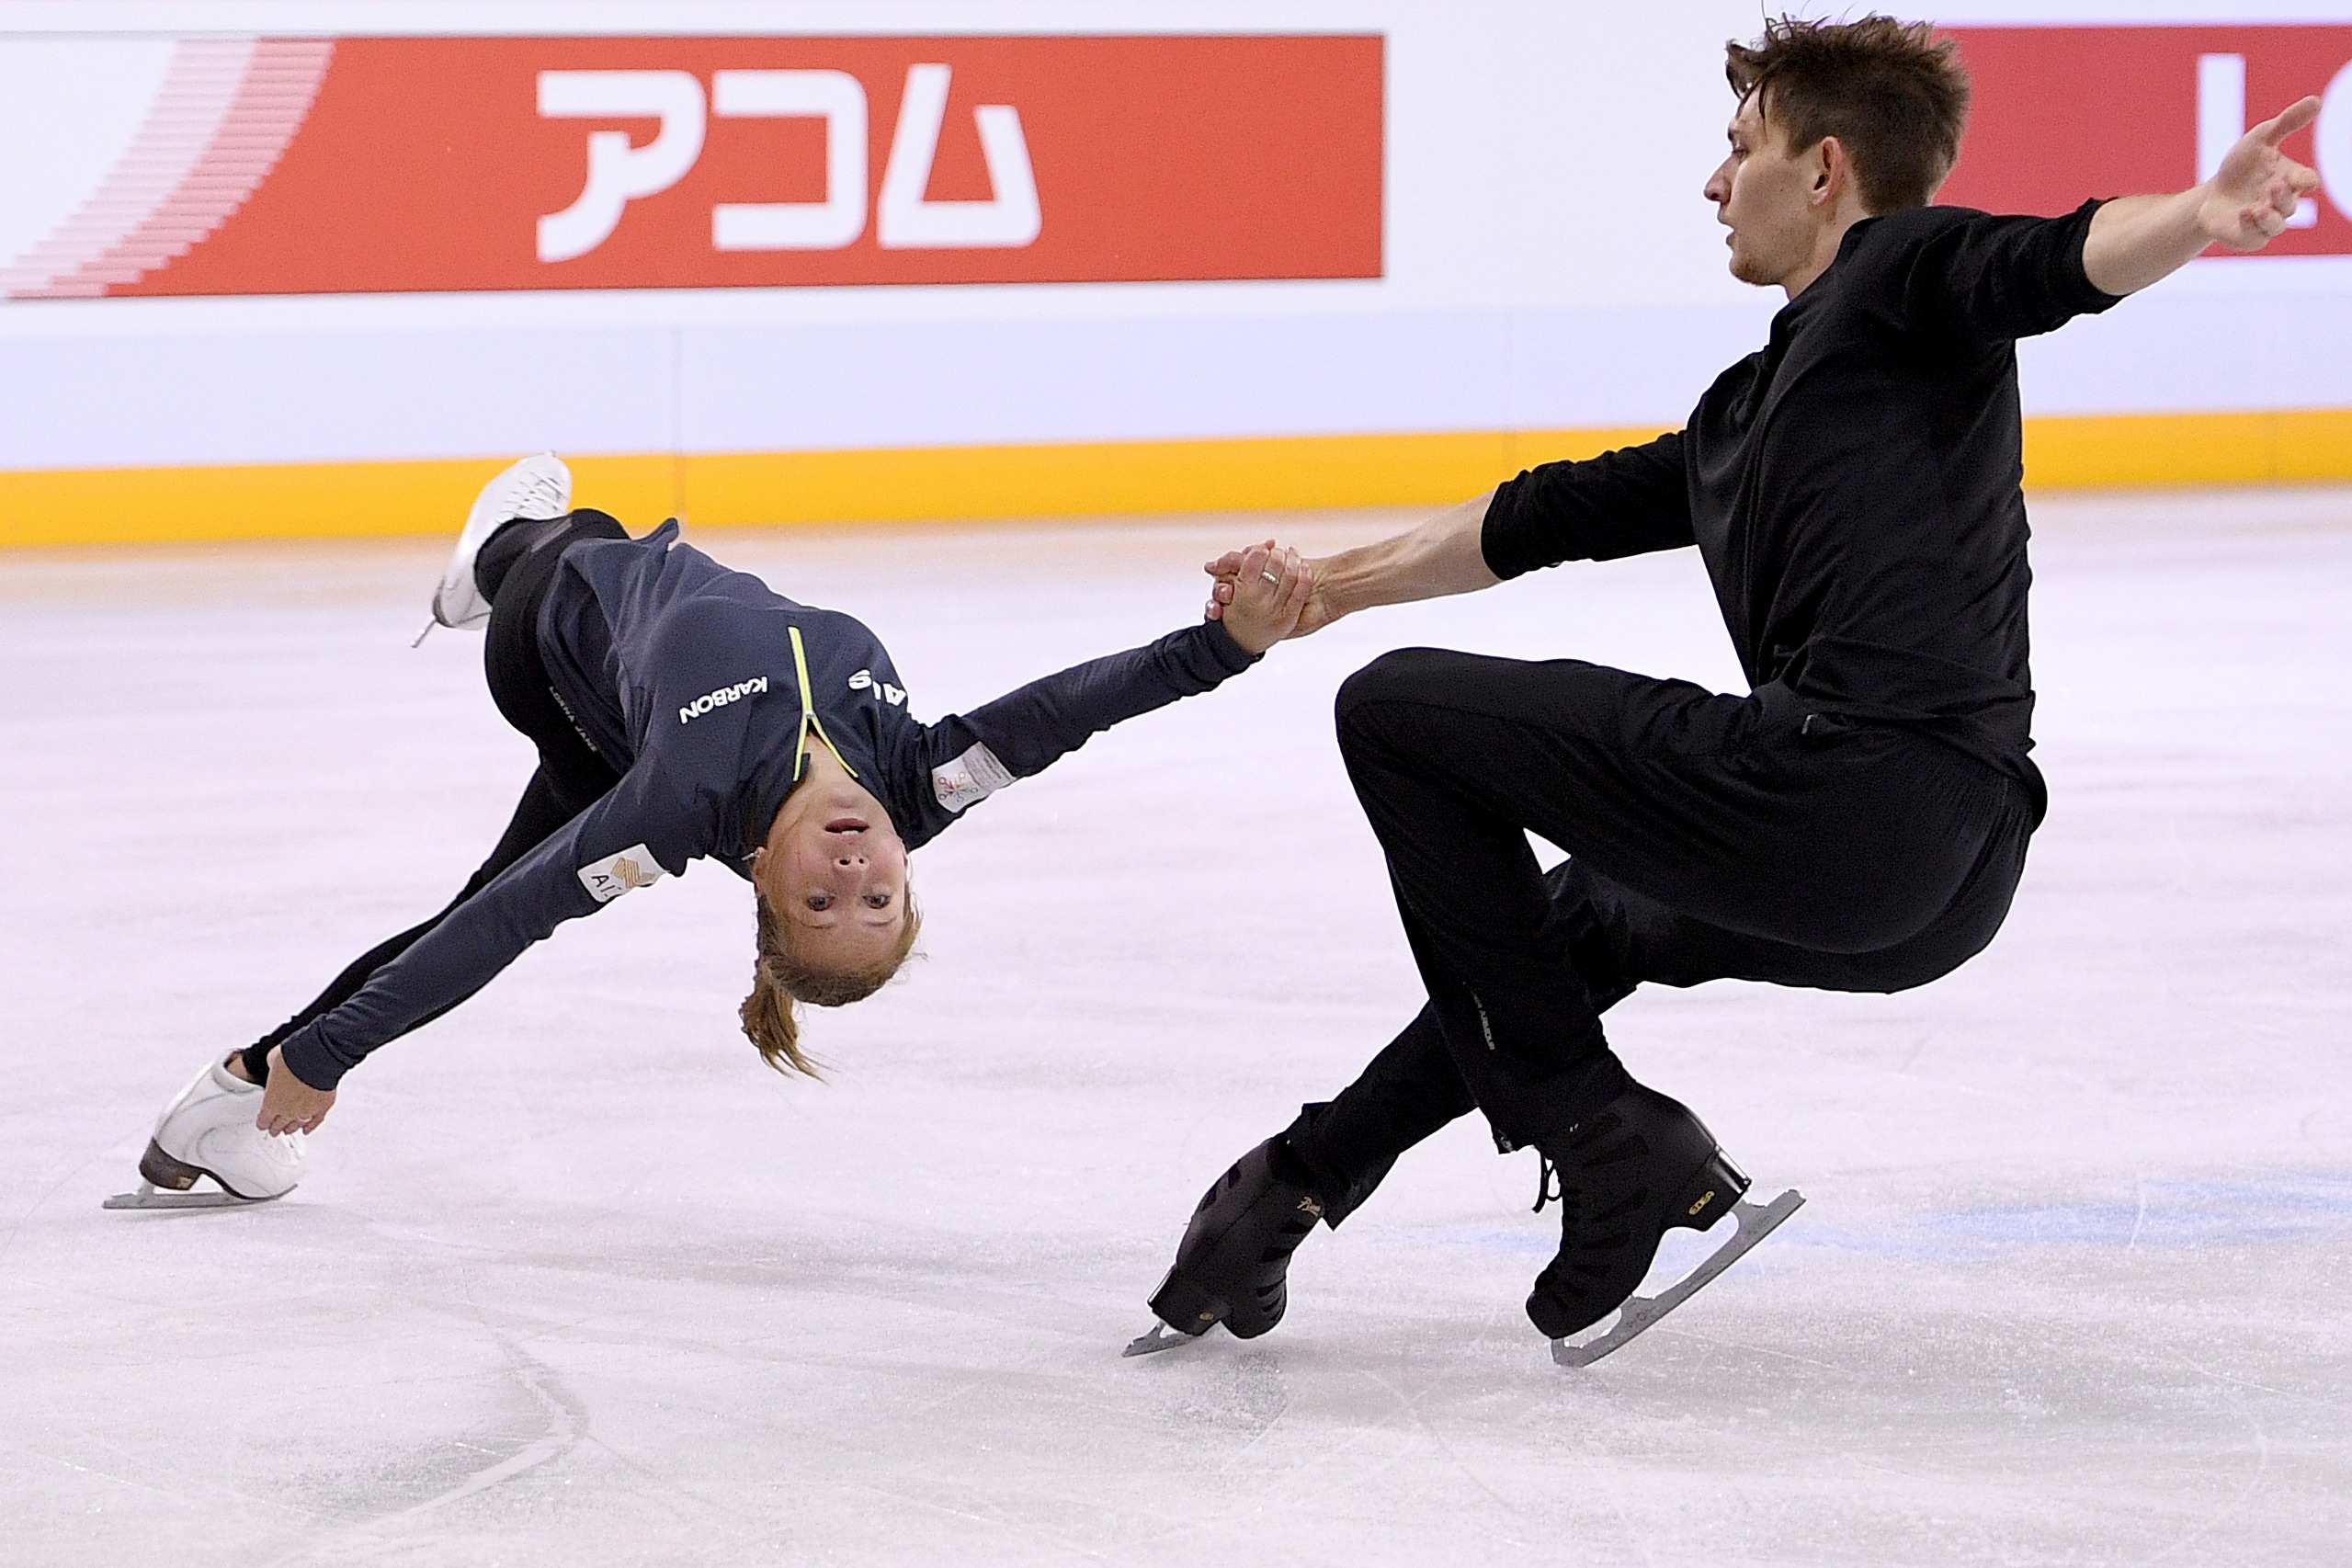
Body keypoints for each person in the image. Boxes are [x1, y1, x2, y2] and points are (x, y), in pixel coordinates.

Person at [1134, 15, 2323, 1358]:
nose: (1714, 184)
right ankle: (1307, 1172)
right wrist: (1326, 588)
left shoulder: (1904, 273)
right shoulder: (1752, 409)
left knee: (1396, 713)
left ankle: (1603, 1133)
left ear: (1824, 171)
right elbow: (1542, 516)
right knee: (1579, 917)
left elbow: (2051, 260)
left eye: (1737, 148)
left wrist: (2202, 214)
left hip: (1850, 790)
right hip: (1939, 880)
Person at [111, 454, 1312, 1209]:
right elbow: (1071, 713)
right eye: (878, 898)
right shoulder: (923, 779)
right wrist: (1227, 643)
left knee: (568, 534)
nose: (852, 871)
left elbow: (510, 925)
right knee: (476, 888)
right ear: (905, 868)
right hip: (616, 698)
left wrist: (329, 1060)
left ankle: (481, 564)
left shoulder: (683, 798)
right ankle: (227, 1097)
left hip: (543, 637)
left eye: (823, 902)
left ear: (762, 881)